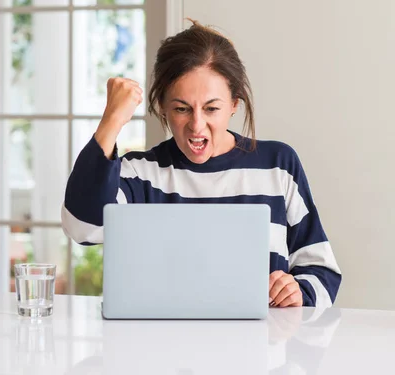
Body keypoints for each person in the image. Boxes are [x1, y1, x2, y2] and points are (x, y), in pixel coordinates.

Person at [61, 20, 341, 308]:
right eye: (181, 109)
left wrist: (297, 292)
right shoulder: (139, 174)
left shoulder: (279, 166)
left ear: (234, 104)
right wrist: (112, 121)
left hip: (260, 347)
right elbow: (82, 227)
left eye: (212, 108)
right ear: (162, 106)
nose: (197, 126)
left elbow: (322, 274)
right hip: (161, 346)